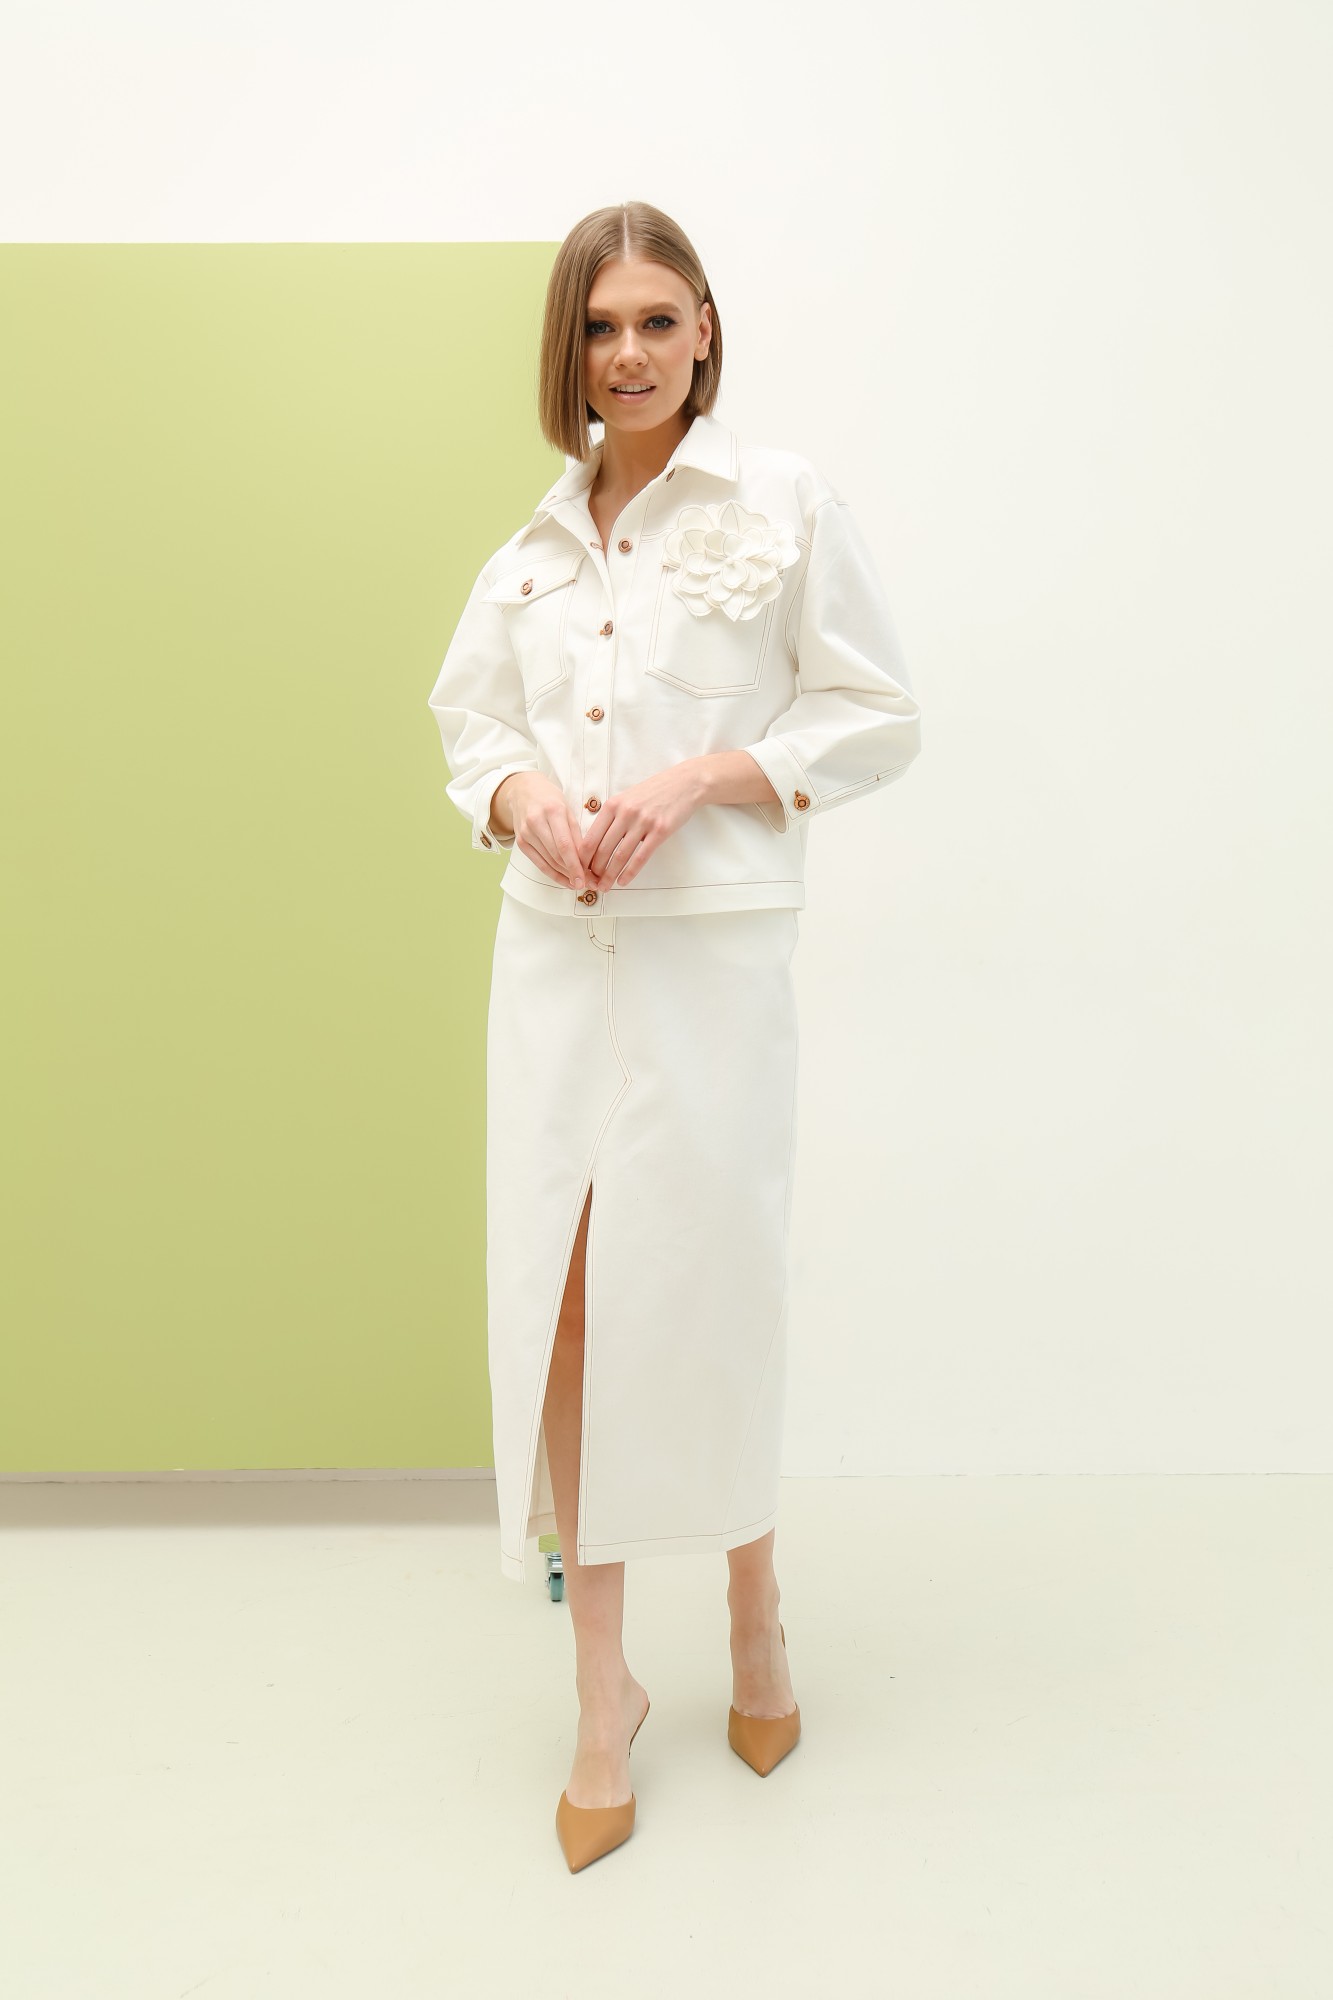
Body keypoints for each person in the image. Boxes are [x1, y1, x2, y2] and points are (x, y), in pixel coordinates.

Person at [427, 200, 922, 1871]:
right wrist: (519, 800)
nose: (626, 354)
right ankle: (601, 1688)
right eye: (596, 327)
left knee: (708, 1287)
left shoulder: (780, 502)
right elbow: (468, 725)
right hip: (553, 963)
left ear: (704, 328)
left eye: (654, 320)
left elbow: (873, 711)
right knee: (565, 1299)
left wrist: (706, 776)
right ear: (564, 350)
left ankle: (752, 1605)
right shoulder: (530, 548)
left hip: (709, 961)